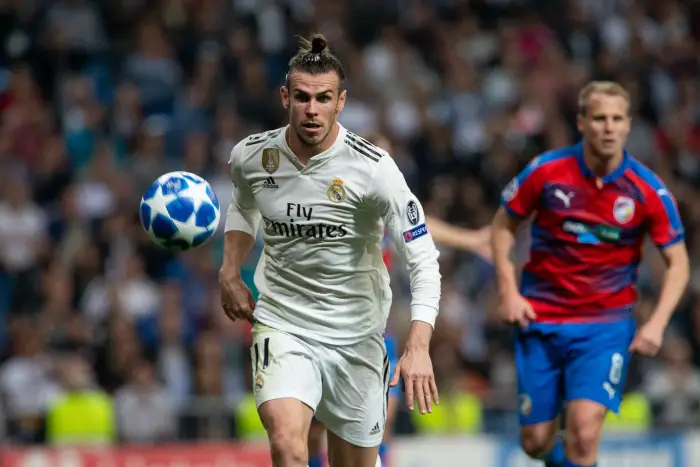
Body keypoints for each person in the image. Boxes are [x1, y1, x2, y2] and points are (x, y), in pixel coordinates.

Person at [219, 34, 441, 467]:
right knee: (287, 445)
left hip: (357, 337)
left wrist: (418, 344)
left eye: (323, 98)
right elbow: (244, 204)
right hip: (284, 323)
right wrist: (229, 269)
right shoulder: (251, 156)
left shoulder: (374, 169)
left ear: (341, 101)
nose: (311, 109)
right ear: (285, 97)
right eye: (301, 97)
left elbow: (423, 259)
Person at [490, 80, 690, 467]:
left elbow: (679, 263)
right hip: (540, 318)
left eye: (617, 119)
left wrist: (658, 323)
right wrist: (508, 291)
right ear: (582, 122)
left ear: (629, 125)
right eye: (599, 118)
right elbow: (501, 227)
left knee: (584, 430)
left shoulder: (647, 191)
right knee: (535, 441)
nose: (609, 127)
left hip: (604, 325)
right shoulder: (546, 171)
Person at [305, 132, 491, 467]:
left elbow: (419, 222)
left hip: (376, 336)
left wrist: (471, 240)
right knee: (317, 431)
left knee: (381, 424)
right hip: (325, 334)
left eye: (388, 159)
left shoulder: (389, 205)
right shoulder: (336, 202)